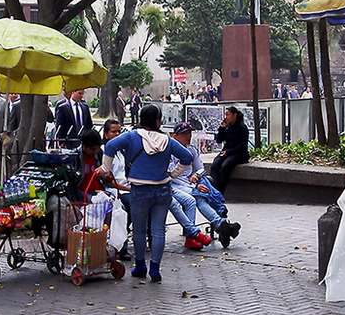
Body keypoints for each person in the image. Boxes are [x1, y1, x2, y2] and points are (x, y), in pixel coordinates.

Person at [101, 104, 193, 283]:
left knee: (139, 229)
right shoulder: (168, 140)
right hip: (163, 189)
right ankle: (155, 268)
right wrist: (174, 173)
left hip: (139, 190)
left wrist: (105, 168)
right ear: (157, 121)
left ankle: (140, 265)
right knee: (158, 230)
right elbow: (187, 158)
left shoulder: (131, 136)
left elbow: (110, 146)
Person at [167, 122, 237, 248]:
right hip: (175, 184)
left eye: (189, 133)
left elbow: (201, 168)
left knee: (201, 195)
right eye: (184, 134)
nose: (188, 136)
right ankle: (220, 225)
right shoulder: (170, 151)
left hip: (190, 184)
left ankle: (219, 226)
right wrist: (194, 186)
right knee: (198, 195)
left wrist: (196, 176)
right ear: (175, 136)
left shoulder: (192, 149)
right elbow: (172, 175)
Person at [210, 106, 249, 194]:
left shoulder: (242, 128)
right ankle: (214, 188)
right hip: (226, 152)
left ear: (234, 115)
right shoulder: (228, 127)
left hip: (239, 154)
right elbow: (219, 140)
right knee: (215, 164)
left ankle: (220, 191)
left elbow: (242, 145)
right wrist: (222, 128)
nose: (226, 117)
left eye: (228, 115)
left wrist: (228, 152)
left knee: (226, 166)